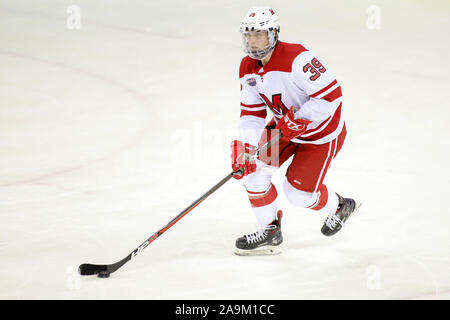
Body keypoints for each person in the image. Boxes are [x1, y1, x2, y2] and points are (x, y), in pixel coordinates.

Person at [230, 6, 360, 256]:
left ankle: (341, 206)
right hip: (282, 129)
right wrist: (243, 146)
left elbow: (331, 97)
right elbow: (252, 113)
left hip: (320, 135)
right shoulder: (247, 67)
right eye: (248, 35)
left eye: (259, 34)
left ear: (274, 33)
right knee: (253, 173)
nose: (253, 41)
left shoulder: (297, 57)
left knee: (298, 194)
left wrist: (300, 119)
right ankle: (270, 232)